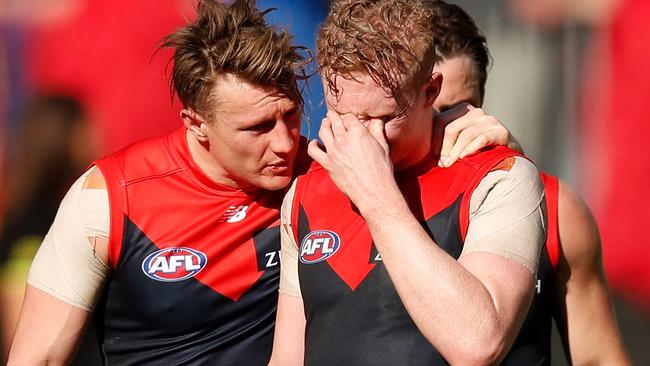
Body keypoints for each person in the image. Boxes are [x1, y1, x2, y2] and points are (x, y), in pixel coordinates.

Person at [7, 1, 521, 365]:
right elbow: (39, 357)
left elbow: (425, 158)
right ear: (195, 125)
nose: (283, 143)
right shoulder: (111, 197)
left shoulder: (325, 170)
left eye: (291, 116)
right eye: (256, 128)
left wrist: (491, 136)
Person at [270, 0, 547, 365]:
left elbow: (478, 344)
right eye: (342, 115)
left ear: (430, 90)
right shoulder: (307, 191)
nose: (363, 138)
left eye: (382, 117)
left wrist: (377, 195)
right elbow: (288, 357)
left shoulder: (498, 178)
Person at [429, 1, 631, 364]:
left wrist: (515, 180)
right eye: (425, 111)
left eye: (458, 109)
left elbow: (599, 358)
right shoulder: (359, 197)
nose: (442, 130)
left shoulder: (554, 209)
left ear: (482, 103)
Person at [0, 95, 101, 365]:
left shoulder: (66, 209)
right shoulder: (33, 225)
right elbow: (19, 325)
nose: (96, 137)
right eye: (84, 130)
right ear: (62, 140)